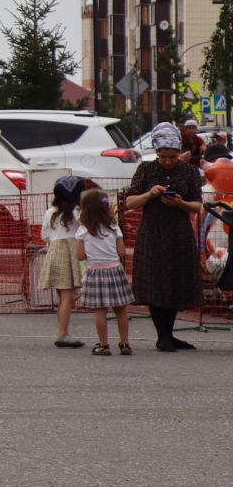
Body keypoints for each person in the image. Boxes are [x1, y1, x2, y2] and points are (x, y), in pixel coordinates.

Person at [124, 121, 205, 351]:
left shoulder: (189, 172)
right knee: (155, 283)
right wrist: (150, 194)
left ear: (180, 152)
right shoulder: (146, 170)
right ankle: (162, 336)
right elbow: (130, 201)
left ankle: (169, 333)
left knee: (175, 282)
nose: (168, 161)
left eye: (173, 157)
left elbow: (197, 205)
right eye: (164, 157)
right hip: (153, 233)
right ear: (156, 153)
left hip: (179, 234)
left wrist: (180, 203)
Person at [76, 189, 133, 355]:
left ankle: (104, 345)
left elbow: (79, 256)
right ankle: (125, 344)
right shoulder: (114, 227)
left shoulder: (84, 230)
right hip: (115, 270)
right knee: (121, 310)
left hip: (95, 272)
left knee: (100, 310)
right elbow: (122, 252)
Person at [40, 175, 87, 349]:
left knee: (62, 296)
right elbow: (85, 229)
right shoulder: (77, 212)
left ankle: (63, 331)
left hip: (54, 250)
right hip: (70, 250)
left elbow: (44, 235)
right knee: (68, 296)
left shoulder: (50, 211)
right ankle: (63, 333)